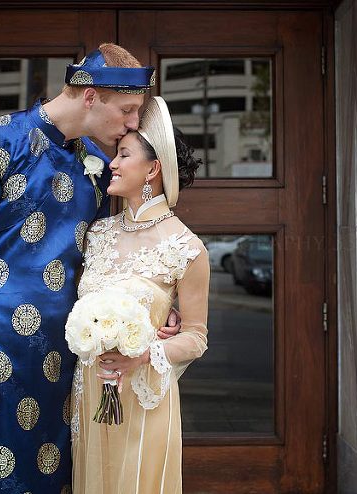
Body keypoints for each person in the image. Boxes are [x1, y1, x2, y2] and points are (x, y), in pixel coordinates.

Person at [0, 44, 179, 493]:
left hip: (74, 357)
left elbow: (116, 247)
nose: (131, 124)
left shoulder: (96, 162)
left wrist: (160, 299)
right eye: (126, 110)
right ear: (90, 97)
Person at [71, 96, 210, 493]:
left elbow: (197, 338)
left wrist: (145, 353)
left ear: (153, 168)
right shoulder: (98, 234)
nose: (112, 164)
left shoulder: (186, 247)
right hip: (89, 388)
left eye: (124, 155)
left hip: (144, 393)